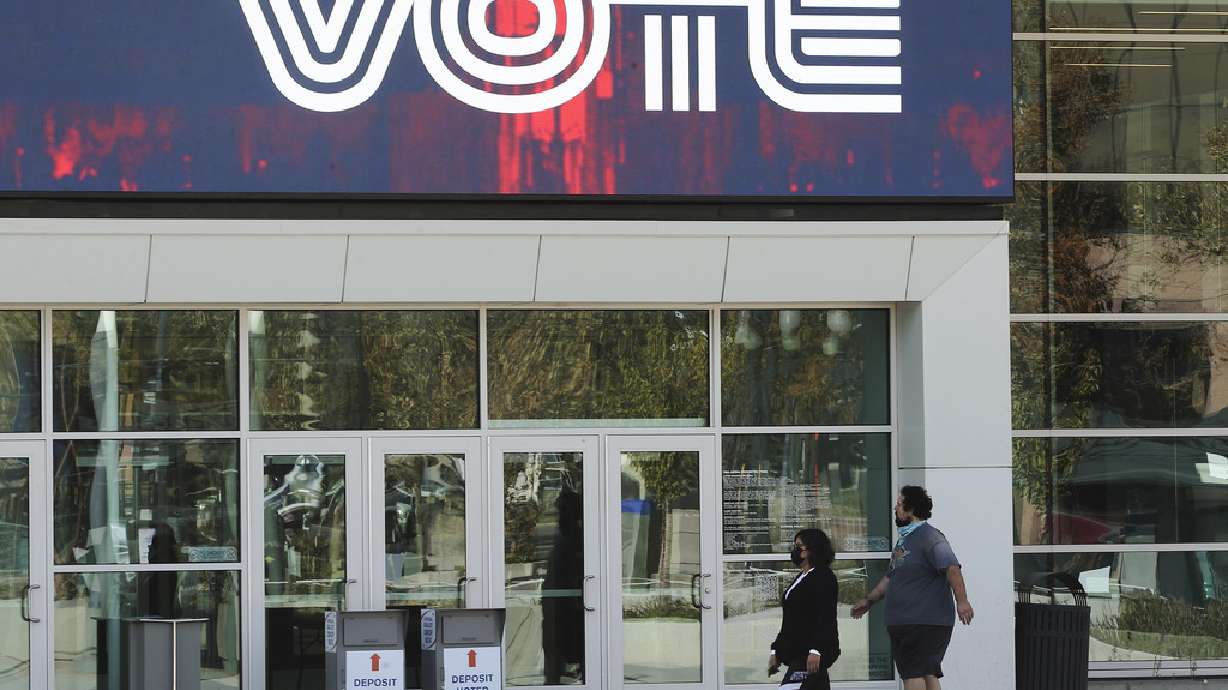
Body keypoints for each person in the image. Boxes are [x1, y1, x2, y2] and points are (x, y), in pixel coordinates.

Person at [851, 486, 973, 690]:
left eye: (900, 505)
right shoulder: (905, 540)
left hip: (921, 621)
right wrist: (869, 600)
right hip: (909, 621)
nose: (895, 509)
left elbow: (952, 568)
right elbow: (891, 577)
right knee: (927, 672)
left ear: (912, 509)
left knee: (912, 674)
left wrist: (962, 601)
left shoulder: (930, 537)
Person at [767, 528, 841, 690]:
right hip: (798, 652)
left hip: (808, 654)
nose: (794, 550)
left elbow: (825, 617)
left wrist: (816, 650)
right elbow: (791, 620)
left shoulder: (823, 577)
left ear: (811, 549)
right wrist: (776, 650)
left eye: (798, 546)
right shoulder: (803, 576)